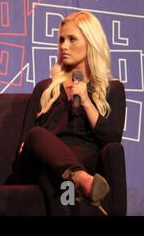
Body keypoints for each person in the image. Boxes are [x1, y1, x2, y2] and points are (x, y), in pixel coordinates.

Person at [18, 11, 126, 215]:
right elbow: (26, 141)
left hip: (76, 163)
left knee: (56, 179)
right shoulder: (44, 88)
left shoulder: (113, 89)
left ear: (91, 42)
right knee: (37, 137)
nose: (63, 46)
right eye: (61, 40)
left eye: (72, 39)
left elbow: (112, 139)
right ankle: (81, 179)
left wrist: (85, 100)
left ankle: (75, 177)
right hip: (40, 160)